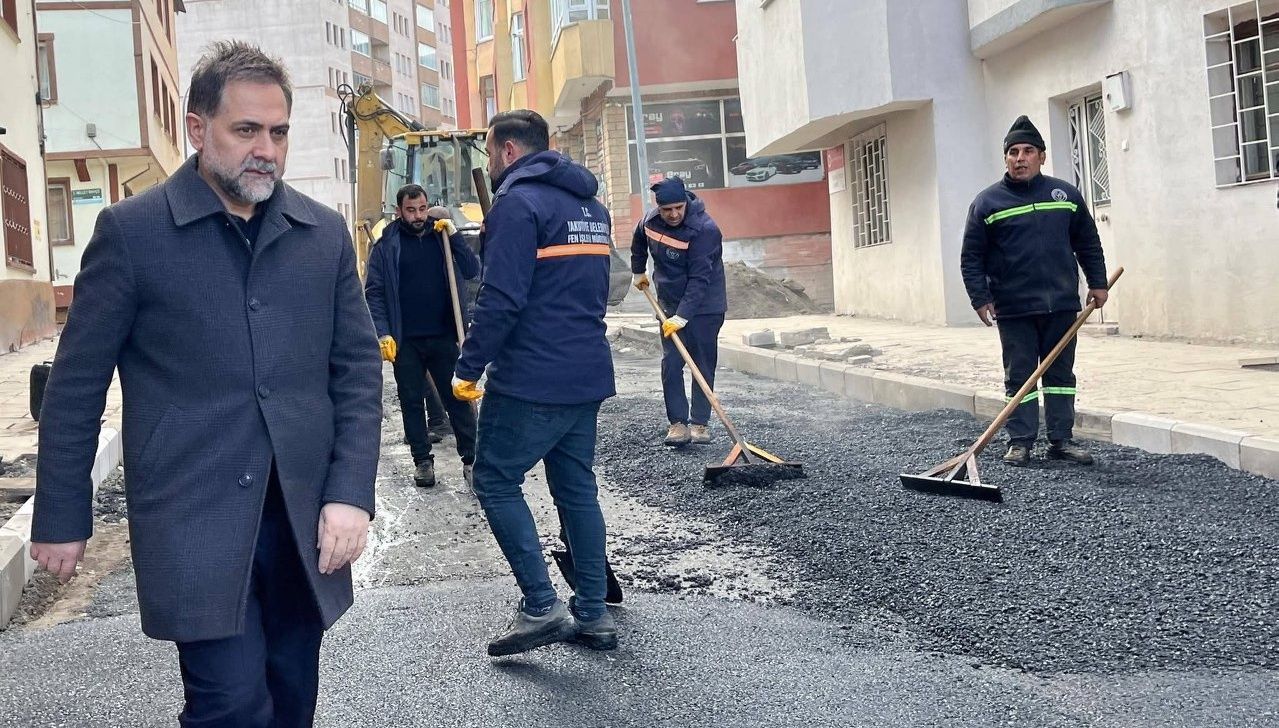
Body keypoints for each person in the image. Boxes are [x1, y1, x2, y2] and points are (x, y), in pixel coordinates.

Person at [28, 41, 381, 726]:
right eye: (246, 129)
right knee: (230, 704)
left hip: (303, 519)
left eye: (278, 132)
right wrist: (62, 516)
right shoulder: (132, 234)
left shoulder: (322, 235)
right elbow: (75, 386)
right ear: (197, 128)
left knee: (291, 696)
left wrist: (349, 494)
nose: (266, 150)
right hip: (192, 516)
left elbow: (358, 373)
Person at [452, 109, 617, 656]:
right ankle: (592, 613)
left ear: (508, 150)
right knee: (576, 489)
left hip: (532, 376)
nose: (490, 164)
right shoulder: (592, 208)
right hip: (586, 371)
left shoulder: (517, 206)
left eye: (490, 153)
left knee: (495, 479)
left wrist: (468, 367)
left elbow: (500, 299)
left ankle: (541, 605)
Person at [960, 115, 1109, 467]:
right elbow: (971, 256)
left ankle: (1061, 440)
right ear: (1006, 159)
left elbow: (1088, 242)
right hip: (1014, 308)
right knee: (1020, 377)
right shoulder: (987, 203)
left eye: (1028, 151)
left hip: (1061, 305)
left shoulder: (1065, 196)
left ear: (1042, 156)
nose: (1020, 158)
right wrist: (980, 298)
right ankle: (1021, 441)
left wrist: (1098, 283)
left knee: (1060, 377)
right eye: (1013, 152)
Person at [365, 184, 480, 488]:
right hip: (406, 341)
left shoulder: (442, 236)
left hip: (443, 334)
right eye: (411, 210)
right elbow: (374, 292)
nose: (418, 216)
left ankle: (471, 459)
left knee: (456, 399)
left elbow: (472, 269)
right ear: (399, 211)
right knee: (411, 401)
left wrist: (455, 236)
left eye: (422, 209)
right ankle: (423, 461)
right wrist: (383, 332)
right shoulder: (386, 245)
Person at [630, 176, 727, 447]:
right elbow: (638, 240)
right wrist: (638, 271)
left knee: (701, 364)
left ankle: (699, 423)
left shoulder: (704, 229)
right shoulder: (650, 221)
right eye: (667, 210)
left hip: (705, 306)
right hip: (669, 303)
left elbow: (699, 280)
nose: (673, 214)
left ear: (685, 202)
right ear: (658, 207)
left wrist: (682, 317)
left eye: (678, 208)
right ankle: (677, 424)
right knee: (671, 364)